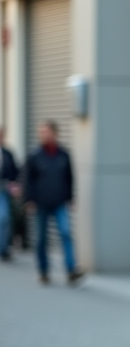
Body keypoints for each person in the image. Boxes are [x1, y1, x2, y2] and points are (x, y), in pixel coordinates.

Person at [24, 121, 82, 285]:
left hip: (60, 202)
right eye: (41, 132)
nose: (43, 135)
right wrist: (29, 200)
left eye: (46, 132)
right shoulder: (34, 156)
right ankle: (43, 271)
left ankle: (71, 270)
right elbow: (28, 180)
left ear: (54, 133)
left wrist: (71, 197)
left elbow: (70, 178)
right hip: (41, 202)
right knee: (41, 239)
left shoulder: (64, 155)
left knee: (65, 232)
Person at [0, 127, 18, 261]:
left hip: (3, 191)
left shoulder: (7, 154)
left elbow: (14, 172)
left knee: (4, 218)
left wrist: (14, 184)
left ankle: (3, 248)